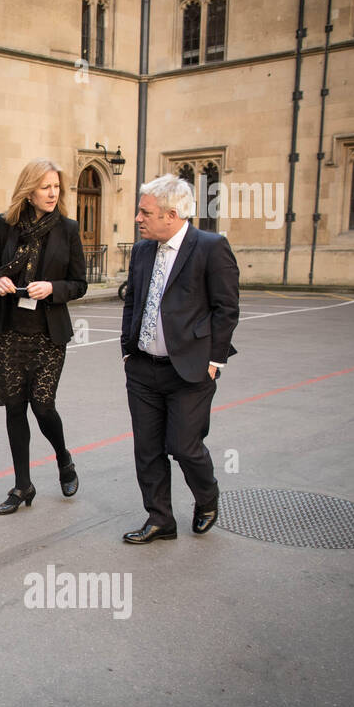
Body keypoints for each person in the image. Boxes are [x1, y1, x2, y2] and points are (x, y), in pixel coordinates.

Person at [119, 174, 239, 544]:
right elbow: (132, 300)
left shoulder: (210, 247)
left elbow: (226, 308)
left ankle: (207, 497)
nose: (138, 218)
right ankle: (160, 520)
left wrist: (215, 360)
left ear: (171, 215)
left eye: (145, 212)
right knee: (148, 449)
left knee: (184, 446)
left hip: (190, 370)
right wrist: (127, 349)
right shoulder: (141, 251)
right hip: (142, 369)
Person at [0, 158, 87, 515]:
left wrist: (52, 287)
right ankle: (23, 486)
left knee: (42, 406)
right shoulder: (6, 224)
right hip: (10, 331)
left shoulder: (68, 229)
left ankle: (64, 459)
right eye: (45, 187)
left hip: (47, 334)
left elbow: (79, 283)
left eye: (56, 187)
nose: (52, 193)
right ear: (29, 190)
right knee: (13, 408)